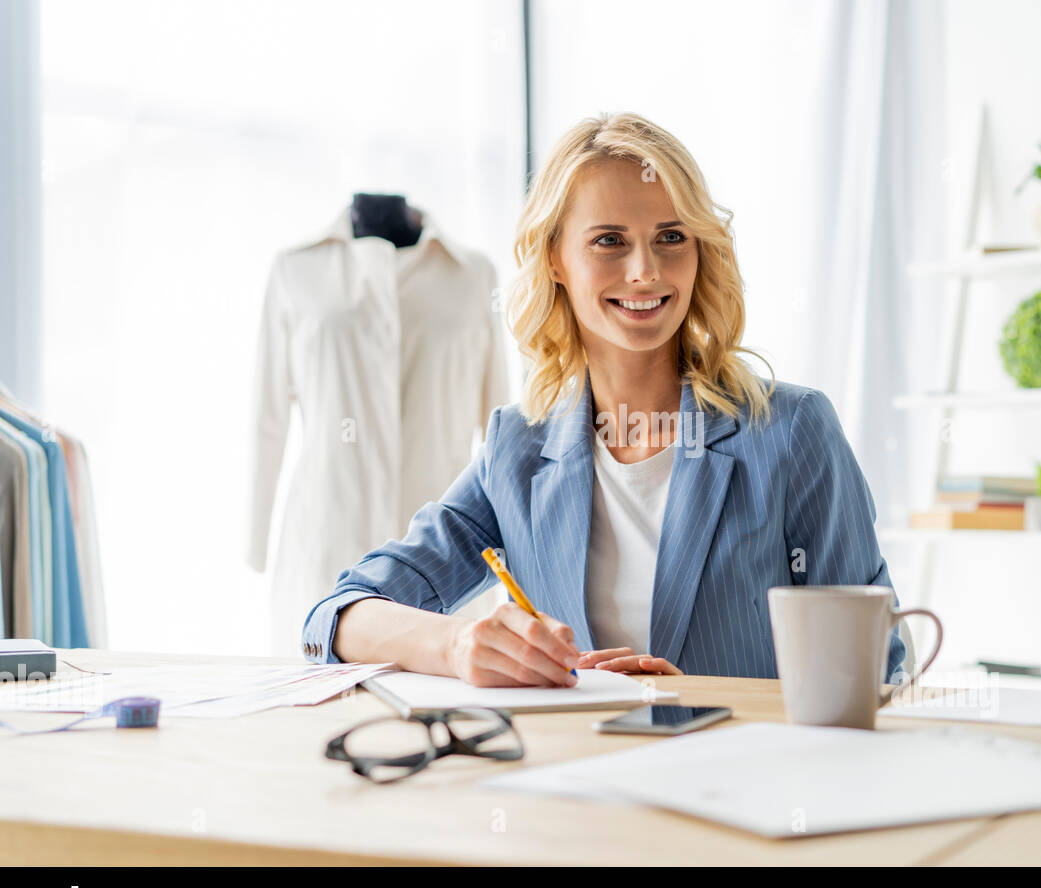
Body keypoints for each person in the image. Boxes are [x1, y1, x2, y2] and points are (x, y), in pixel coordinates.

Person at [301, 111, 904, 687]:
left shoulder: (791, 432)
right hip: (579, 786)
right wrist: (459, 646)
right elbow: (338, 617)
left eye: (671, 237)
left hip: (746, 785)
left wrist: (704, 702)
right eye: (609, 241)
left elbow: (876, 675)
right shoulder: (517, 449)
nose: (645, 270)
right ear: (555, 259)